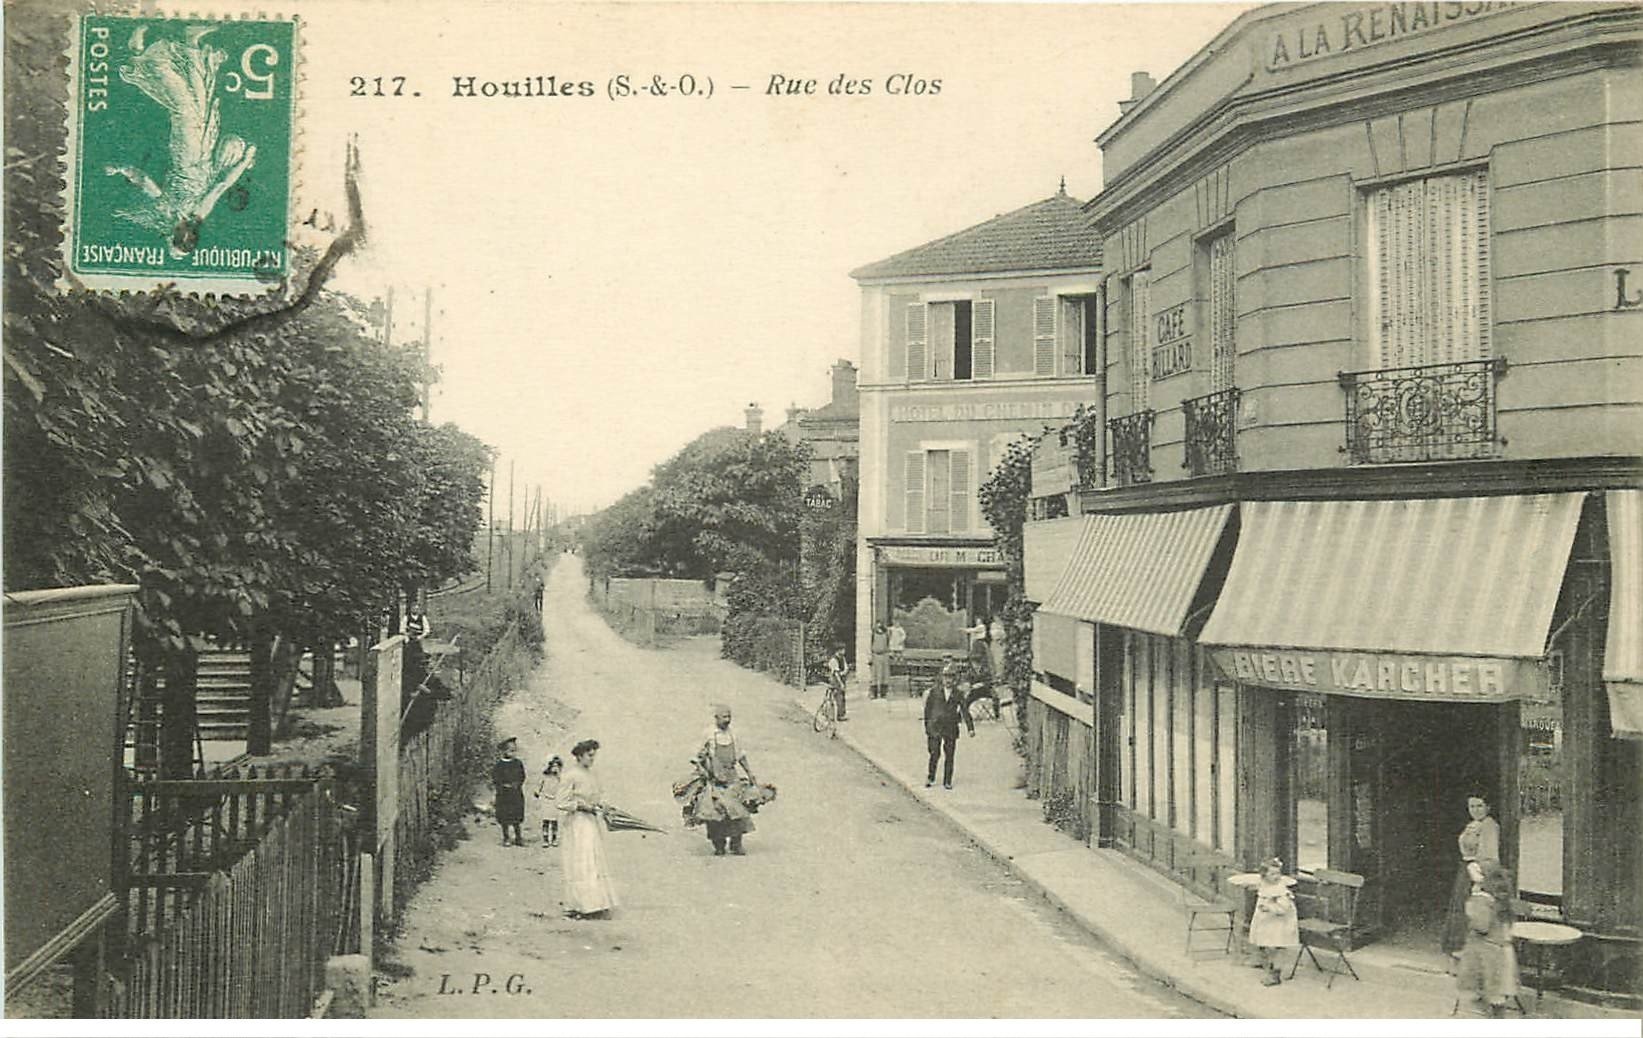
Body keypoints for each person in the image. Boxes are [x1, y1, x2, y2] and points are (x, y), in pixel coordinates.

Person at [556, 739, 619, 918]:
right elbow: (560, 802)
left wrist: (603, 806)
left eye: (594, 756)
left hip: (591, 822)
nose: (592, 759)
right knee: (581, 862)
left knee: (593, 860)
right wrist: (581, 806)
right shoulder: (570, 775)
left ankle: (596, 903)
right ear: (579, 755)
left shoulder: (592, 775)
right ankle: (580, 905)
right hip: (577, 823)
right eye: (589, 755)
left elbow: (599, 795)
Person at [692, 705, 760, 856]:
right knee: (716, 813)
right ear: (716, 718)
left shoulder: (733, 734)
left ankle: (736, 844)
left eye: (729, 717)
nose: (727, 720)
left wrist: (750, 773)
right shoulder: (708, 734)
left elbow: (740, 756)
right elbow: (696, 757)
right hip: (715, 779)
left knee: (738, 811)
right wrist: (703, 771)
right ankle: (719, 845)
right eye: (724, 717)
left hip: (732, 777)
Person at [1456, 861, 1520, 1017]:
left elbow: (1481, 926)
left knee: (1491, 987)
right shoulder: (1500, 895)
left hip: (1488, 951)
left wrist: (1470, 909)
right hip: (1502, 949)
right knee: (1498, 991)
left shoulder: (1482, 899)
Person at [1442, 793, 1502, 957]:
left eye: (1479, 806)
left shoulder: (1489, 825)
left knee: (1473, 910)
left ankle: (1468, 954)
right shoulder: (1472, 824)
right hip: (1466, 869)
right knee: (1461, 909)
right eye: (1472, 806)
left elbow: (1490, 856)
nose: (1475, 810)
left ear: (1488, 807)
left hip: (1477, 871)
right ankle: (1458, 952)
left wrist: (1479, 876)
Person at [1248, 857, 1300, 987]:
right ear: (1264, 876)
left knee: (1277, 946)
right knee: (1267, 943)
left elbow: (1284, 908)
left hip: (1280, 922)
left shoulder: (1281, 890)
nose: (1276, 876)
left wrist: (1269, 907)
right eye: (1272, 874)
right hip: (1268, 921)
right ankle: (1266, 963)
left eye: (1278, 873)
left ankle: (1275, 974)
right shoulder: (1266, 885)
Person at [923, 662, 975, 789]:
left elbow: (964, 710)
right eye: (946, 677)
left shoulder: (958, 694)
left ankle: (947, 780)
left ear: (955, 679)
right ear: (942, 678)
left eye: (951, 677)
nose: (948, 680)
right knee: (934, 753)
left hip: (950, 728)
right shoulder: (934, 692)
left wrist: (970, 728)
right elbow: (927, 710)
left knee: (950, 755)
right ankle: (931, 777)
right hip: (935, 727)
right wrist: (927, 727)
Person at [491, 737, 527, 846]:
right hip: (504, 795)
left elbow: (522, 775)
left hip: (516, 793)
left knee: (516, 816)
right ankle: (506, 837)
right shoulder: (499, 766)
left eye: (514, 750)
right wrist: (504, 786)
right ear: (504, 751)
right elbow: (496, 779)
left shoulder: (518, 763)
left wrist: (517, 784)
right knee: (504, 816)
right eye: (510, 750)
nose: (513, 753)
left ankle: (518, 837)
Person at [536, 756, 564, 847]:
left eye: (557, 766)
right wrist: (537, 791)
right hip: (546, 799)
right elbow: (539, 785)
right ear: (549, 766)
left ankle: (554, 838)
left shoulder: (559, 778)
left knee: (554, 821)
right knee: (546, 820)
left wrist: (559, 775)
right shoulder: (545, 777)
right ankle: (545, 839)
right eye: (553, 766)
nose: (554, 768)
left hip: (555, 800)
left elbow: (564, 786)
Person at [825, 644, 849, 721]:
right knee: (838, 696)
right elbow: (836, 673)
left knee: (842, 696)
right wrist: (840, 683)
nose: (844, 651)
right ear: (838, 650)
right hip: (835, 680)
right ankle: (837, 715)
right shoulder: (833, 660)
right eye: (842, 650)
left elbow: (846, 667)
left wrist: (845, 671)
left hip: (842, 678)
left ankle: (841, 713)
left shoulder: (842, 658)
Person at [869, 621, 891, 700]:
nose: (878, 627)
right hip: (875, 655)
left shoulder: (886, 634)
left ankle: (883, 693)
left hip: (884, 655)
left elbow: (888, 644)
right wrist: (870, 656)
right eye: (877, 626)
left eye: (880, 626)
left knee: (884, 675)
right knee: (874, 675)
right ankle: (873, 693)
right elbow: (870, 645)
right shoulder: (873, 634)